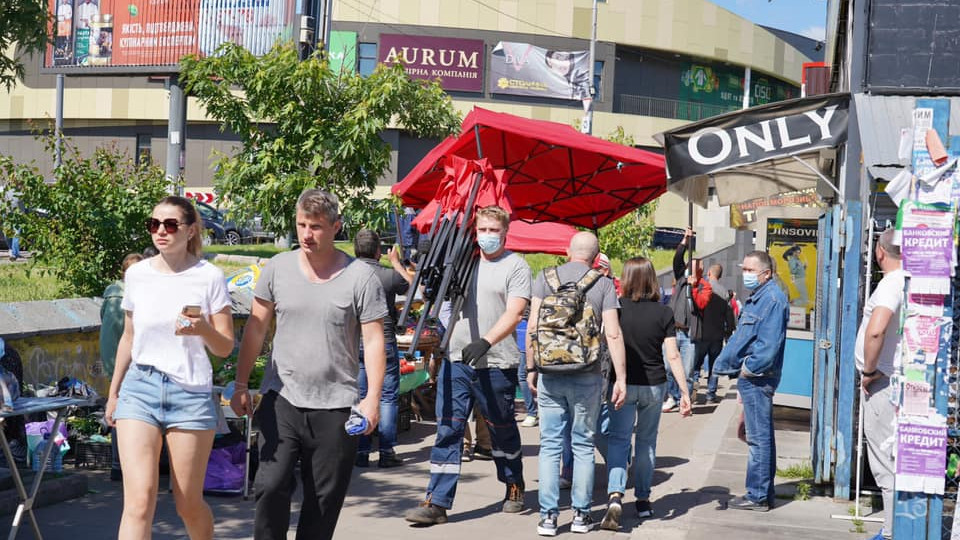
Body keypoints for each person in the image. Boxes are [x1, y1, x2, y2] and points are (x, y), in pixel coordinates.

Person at [230, 189, 387, 540]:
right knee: (270, 485)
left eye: (315, 226)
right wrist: (242, 384)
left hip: (336, 405)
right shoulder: (278, 268)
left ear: (336, 227)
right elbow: (255, 329)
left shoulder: (360, 277)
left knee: (322, 501)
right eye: (301, 224)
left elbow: (374, 340)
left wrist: (372, 398)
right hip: (281, 396)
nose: (306, 234)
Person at [105, 196, 235, 540]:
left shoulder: (209, 277)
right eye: (154, 224)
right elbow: (128, 337)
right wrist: (114, 392)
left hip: (190, 395)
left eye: (171, 224)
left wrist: (203, 329)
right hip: (140, 388)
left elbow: (224, 347)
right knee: (138, 500)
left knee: (187, 502)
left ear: (190, 230)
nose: (161, 231)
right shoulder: (137, 275)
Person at [404, 205, 530, 526]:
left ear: (505, 232)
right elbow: (433, 295)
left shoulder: (515, 266)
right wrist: (428, 272)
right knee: (448, 428)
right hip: (457, 359)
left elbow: (515, 312)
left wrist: (486, 340)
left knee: (501, 429)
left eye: (493, 231)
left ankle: (513, 483)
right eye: (482, 230)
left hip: (496, 361)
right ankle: (437, 502)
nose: (487, 236)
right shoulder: (463, 262)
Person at [526, 231, 626, 536]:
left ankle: (548, 518)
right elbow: (613, 334)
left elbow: (532, 326)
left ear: (568, 250)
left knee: (550, 446)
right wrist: (621, 378)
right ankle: (582, 516)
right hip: (588, 374)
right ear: (596, 257)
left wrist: (531, 367)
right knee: (583, 445)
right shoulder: (604, 284)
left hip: (550, 373)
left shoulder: (545, 277)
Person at [597, 256, 692, 531]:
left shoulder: (616, 310)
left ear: (625, 280)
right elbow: (672, 355)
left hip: (622, 385)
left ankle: (615, 496)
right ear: (652, 279)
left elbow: (607, 344)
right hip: (654, 385)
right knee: (647, 443)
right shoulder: (664, 313)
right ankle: (643, 501)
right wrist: (684, 391)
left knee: (618, 440)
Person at [713, 250, 789, 512]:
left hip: (757, 378)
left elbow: (768, 347)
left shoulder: (772, 300)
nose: (745, 274)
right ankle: (763, 492)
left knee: (758, 440)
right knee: (761, 438)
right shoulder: (762, 297)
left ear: (765, 274)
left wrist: (747, 369)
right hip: (754, 378)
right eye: (743, 268)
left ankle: (756, 495)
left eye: (749, 270)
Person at [855, 229, 903, 540]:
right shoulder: (907, 281)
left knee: (885, 461)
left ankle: (890, 531)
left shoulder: (891, 283)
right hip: (892, 380)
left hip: (882, 382)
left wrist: (870, 370)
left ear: (880, 252)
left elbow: (876, 330)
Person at [353, 229, 412, 469]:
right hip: (384, 341)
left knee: (361, 396)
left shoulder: (348, 275)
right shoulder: (388, 275)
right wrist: (396, 263)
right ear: (378, 252)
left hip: (355, 342)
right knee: (387, 397)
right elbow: (412, 285)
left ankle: (361, 451)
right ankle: (386, 451)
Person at [100, 252, 144, 482]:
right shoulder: (124, 297)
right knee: (123, 415)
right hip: (126, 363)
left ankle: (124, 465)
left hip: (123, 361)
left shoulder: (116, 294)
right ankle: (120, 465)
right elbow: (122, 336)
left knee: (125, 413)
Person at [664, 227, 711, 412]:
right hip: (673, 330)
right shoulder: (681, 280)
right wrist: (685, 241)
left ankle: (686, 399)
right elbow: (677, 260)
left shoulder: (704, 287)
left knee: (688, 370)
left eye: (692, 267)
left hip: (690, 334)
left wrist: (695, 287)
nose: (687, 270)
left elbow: (701, 305)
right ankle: (674, 397)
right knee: (668, 367)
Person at [692, 263, 736, 404]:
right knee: (714, 366)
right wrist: (728, 332)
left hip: (702, 333)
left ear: (709, 273)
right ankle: (711, 395)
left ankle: (693, 389)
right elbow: (729, 315)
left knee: (696, 364)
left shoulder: (702, 288)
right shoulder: (724, 292)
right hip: (717, 335)